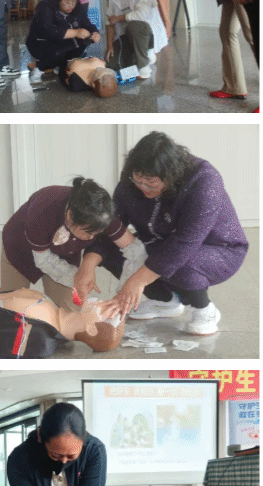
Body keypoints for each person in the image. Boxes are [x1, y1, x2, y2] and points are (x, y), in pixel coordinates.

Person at [86, 132, 249, 336]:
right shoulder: (132, 177)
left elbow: (185, 244)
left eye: (151, 183)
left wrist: (137, 281)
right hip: (161, 242)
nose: (143, 188)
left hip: (218, 248)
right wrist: (88, 263)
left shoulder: (204, 180)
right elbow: (111, 223)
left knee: (179, 260)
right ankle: (164, 301)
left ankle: (204, 310)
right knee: (115, 252)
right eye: (138, 181)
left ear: (171, 175)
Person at [0, 177, 142, 311]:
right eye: (87, 232)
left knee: (69, 310)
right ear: (69, 216)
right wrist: (77, 277)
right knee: (14, 308)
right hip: (20, 249)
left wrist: (129, 286)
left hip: (64, 255)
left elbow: (135, 249)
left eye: (96, 233)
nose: (91, 238)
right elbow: (44, 261)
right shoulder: (42, 211)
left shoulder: (102, 215)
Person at [0, 287, 124, 358]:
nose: (101, 302)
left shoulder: (37, 338)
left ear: (91, 329)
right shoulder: (52, 305)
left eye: (104, 311)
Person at [25, 0, 100, 82]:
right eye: (66, 2)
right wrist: (76, 32)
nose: (71, 6)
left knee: (82, 40)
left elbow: (87, 24)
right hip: (40, 43)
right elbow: (49, 31)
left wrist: (95, 33)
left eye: (73, 1)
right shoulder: (44, 6)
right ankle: (39, 69)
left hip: (63, 41)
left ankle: (61, 65)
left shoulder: (77, 6)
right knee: (60, 48)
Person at [105, 0, 158, 80]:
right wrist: (109, 46)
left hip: (145, 32)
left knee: (133, 26)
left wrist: (118, 18)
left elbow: (142, 15)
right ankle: (140, 57)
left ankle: (144, 65)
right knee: (111, 64)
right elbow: (109, 22)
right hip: (125, 36)